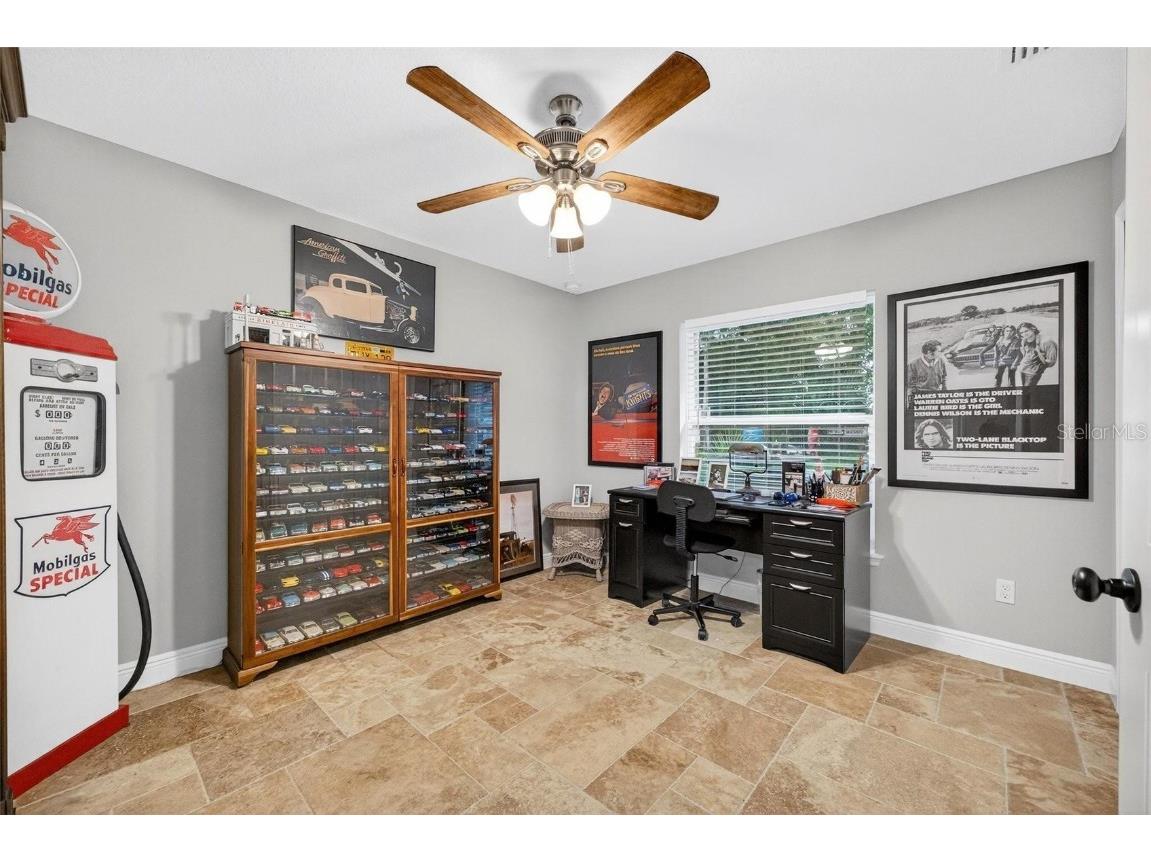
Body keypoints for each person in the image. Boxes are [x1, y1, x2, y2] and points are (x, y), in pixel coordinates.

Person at [906, 339, 947, 408]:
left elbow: (944, 377)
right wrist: (912, 402)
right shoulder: (913, 364)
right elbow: (910, 385)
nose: (941, 353)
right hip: (921, 398)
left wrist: (945, 393)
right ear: (929, 352)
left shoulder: (941, 361)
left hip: (937, 396)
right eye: (939, 351)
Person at [1016, 322, 1059, 386]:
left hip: (1033, 372)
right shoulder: (1024, 341)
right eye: (1021, 333)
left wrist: (1039, 365)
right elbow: (1025, 355)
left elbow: (1051, 361)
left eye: (1026, 331)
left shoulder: (1046, 341)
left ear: (1033, 329)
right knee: (1024, 390)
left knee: (1028, 390)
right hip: (1023, 369)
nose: (1024, 334)